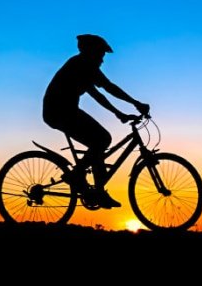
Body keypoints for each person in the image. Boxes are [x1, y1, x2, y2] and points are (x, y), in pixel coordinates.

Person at [43, 34, 150, 208]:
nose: (102, 60)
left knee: (98, 142)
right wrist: (134, 104)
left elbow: (100, 93)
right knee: (102, 139)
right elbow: (107, 89)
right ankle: (78, 177)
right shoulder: (81, 65)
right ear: (91, 52)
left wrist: (120, 113)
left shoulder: (84, 65)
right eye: (101, 54)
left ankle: (93, 187)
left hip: (63, 111)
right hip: (60, 111)